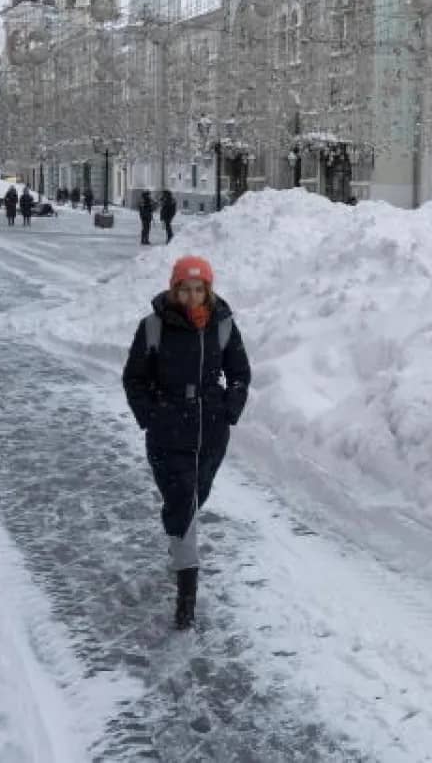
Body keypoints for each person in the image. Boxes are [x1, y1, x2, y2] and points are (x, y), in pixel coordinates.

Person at [121, 256, 251, 630]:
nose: (192, 296)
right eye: (184, 288)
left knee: (192, 501)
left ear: (207, 290)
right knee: (183, 503)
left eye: (199, 289)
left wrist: (229, 408)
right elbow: (134, 379)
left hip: (210, 432)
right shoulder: (153, 327)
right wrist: (150, 416)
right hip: (167, 432)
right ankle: (186, 597)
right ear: (174, 288)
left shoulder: (223, 325)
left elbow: (240, 373)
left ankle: (179, 541)